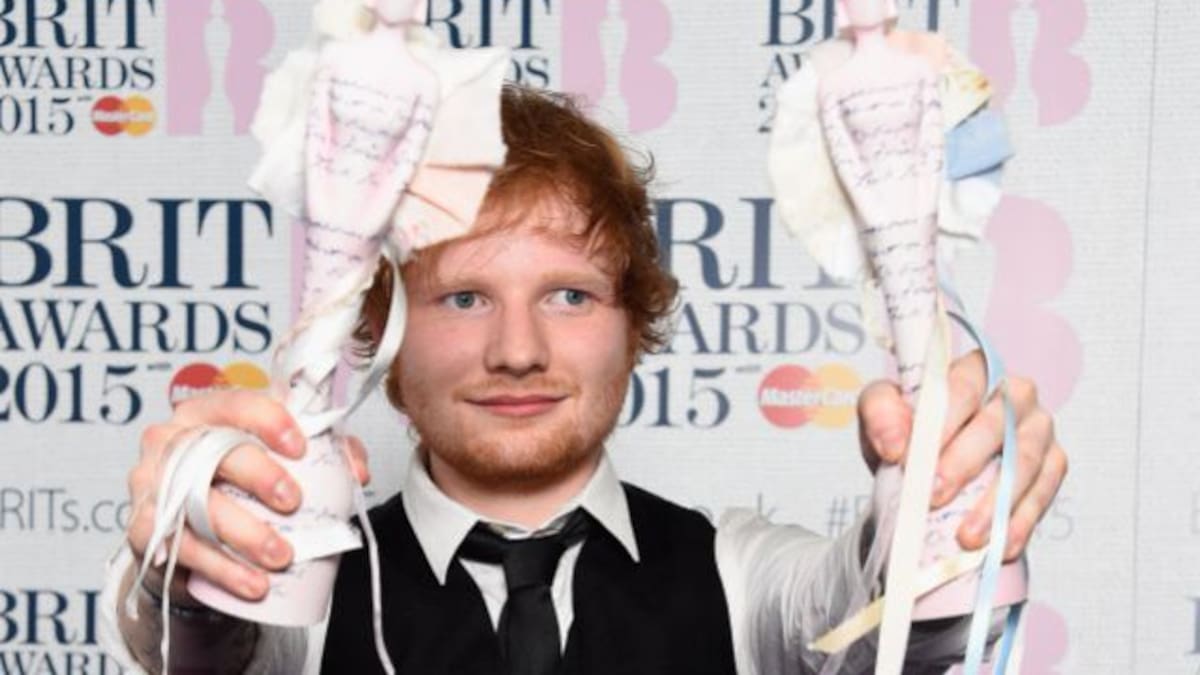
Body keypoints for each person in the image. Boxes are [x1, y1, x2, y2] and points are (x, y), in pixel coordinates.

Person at [102, 85, 1068, 674]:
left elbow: (886, 631)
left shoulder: (737, 576)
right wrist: (190, 561)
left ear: (633, 324)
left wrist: (947, 504)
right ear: (382, 339)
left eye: (568, 295)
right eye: (463, 298)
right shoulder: (306, 594)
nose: (518, 349)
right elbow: (208, 653)